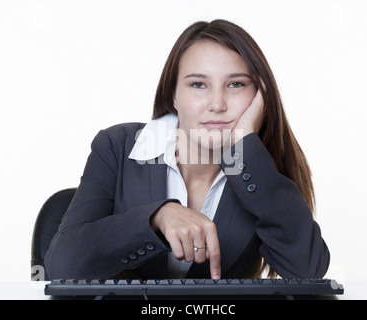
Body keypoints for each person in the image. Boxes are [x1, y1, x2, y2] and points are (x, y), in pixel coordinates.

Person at [44, 19, 330, 280]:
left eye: (236, 84)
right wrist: (156, 219)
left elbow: (307, 272)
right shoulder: (117, 147)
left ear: (260, 95)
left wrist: (244, 149)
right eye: (198, 84)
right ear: (174, 96)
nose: (217, 104)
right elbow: (62, 266)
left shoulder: (260, 169)